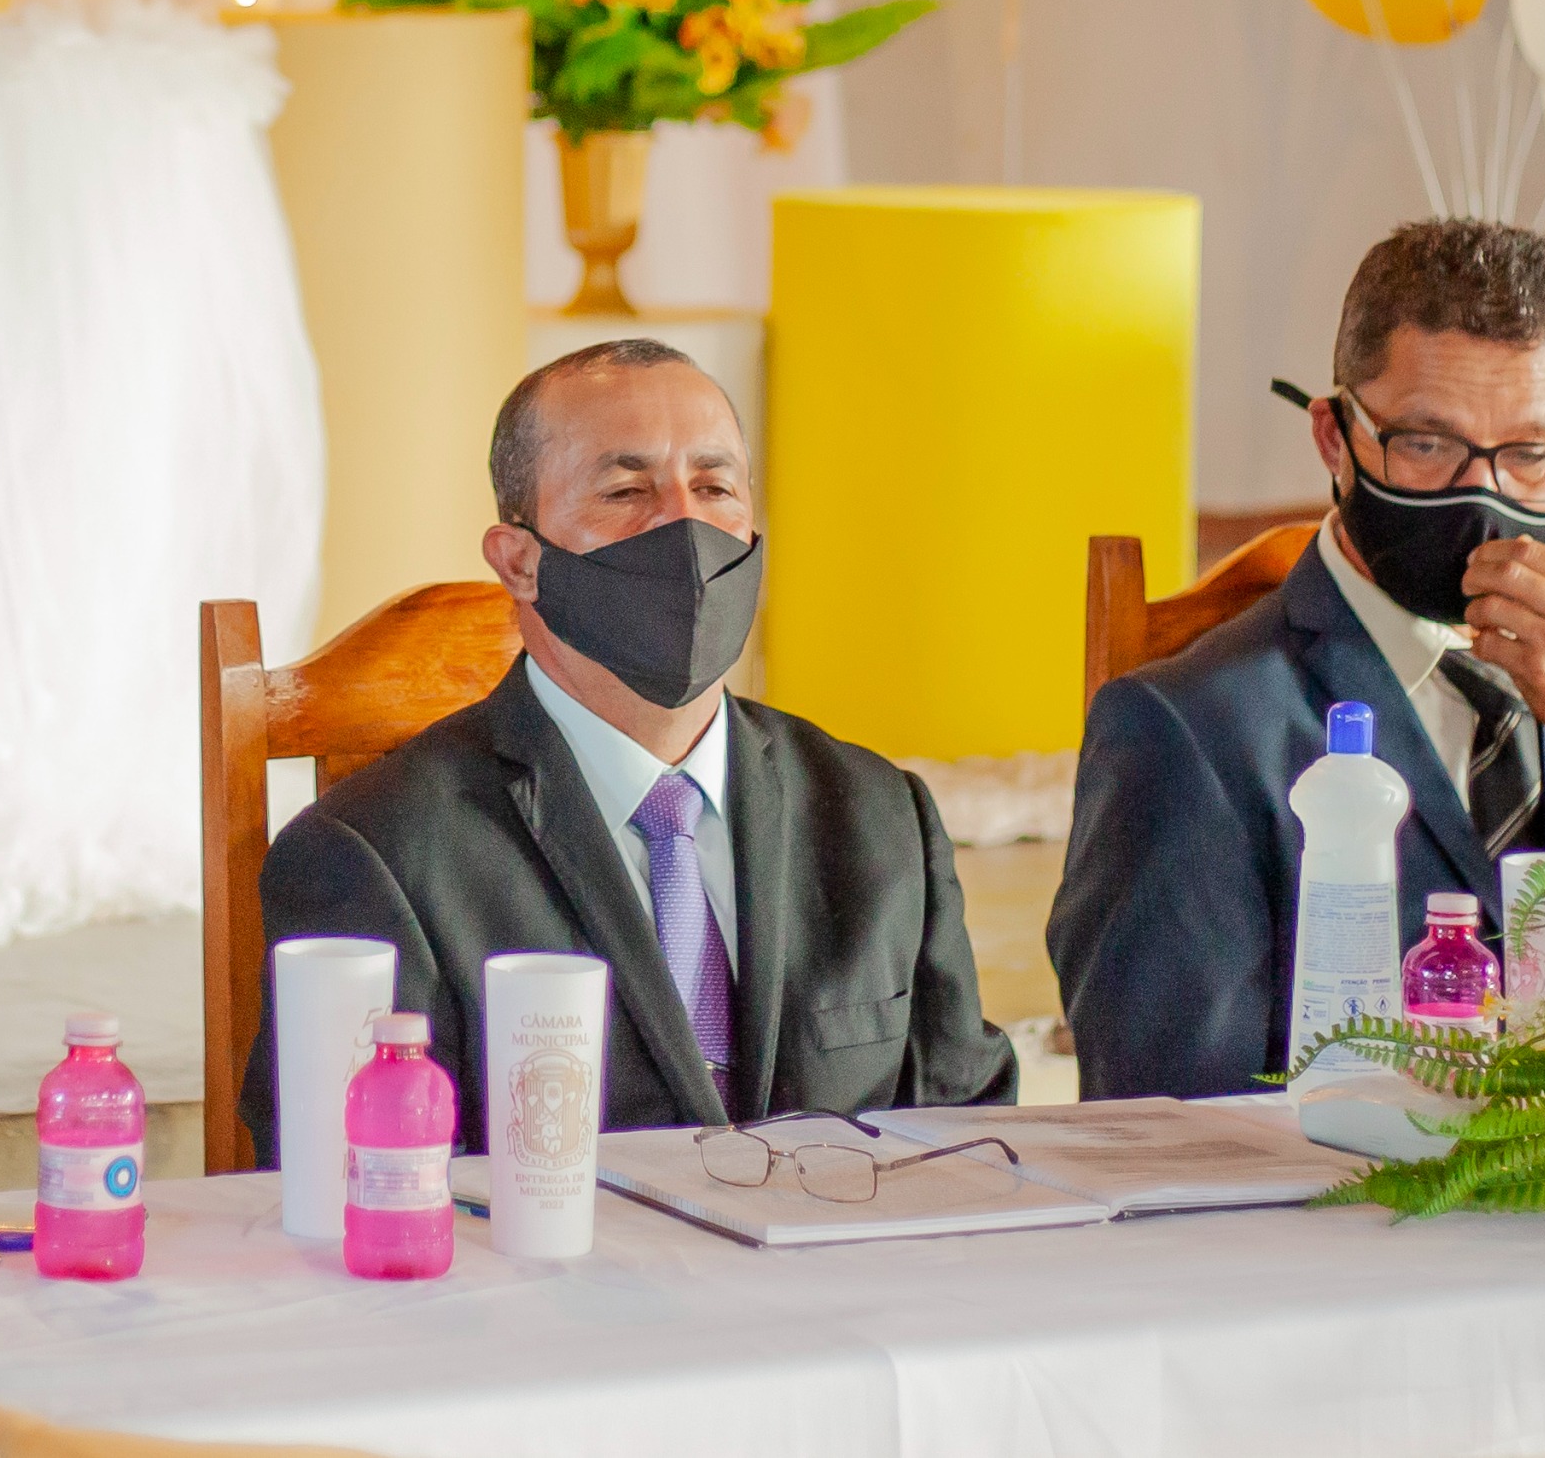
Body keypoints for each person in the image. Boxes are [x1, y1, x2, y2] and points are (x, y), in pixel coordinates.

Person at [240, 339, 1015, 1159]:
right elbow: (356, 1186)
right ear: (520, 561)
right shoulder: (377, 853)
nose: (685, 524)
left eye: (714, 487)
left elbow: (970, 1143)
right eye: (626, 490)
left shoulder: (882, 815)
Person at [1049, 217, 1545, 1101]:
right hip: (1341, 1187)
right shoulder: (1189, 731)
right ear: (1335, 437)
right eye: (1427, 443)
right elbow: (1166, 1119)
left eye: (1530, 453)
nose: (1485, 492)